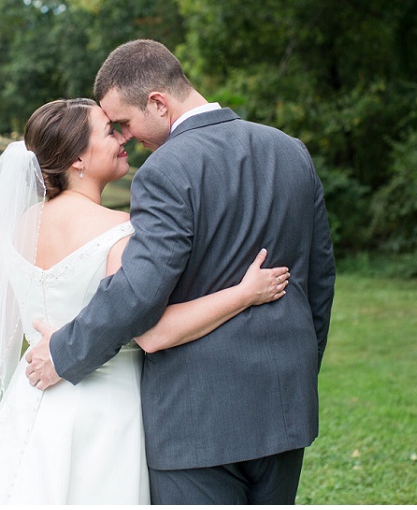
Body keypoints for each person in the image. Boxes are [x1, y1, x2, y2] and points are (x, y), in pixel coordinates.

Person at [0, 97, 292, 504]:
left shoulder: (18, 228)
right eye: (108, 132)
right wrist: (244, 294)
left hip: (31, 397)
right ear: (77, 161)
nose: (122, 138)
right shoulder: (119, 232)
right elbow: (154, 333)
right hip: (105, 408)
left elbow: (9, 321)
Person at [26, 40, 336, 504]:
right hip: (284, 404)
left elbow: (138, 292)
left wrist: (64, 352)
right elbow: (319, 283)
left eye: (125, 123)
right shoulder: (291, 151)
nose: (126, 136)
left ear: (158, 102)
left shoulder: (165, 170)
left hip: (195, 417)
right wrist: (299, 367)